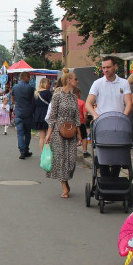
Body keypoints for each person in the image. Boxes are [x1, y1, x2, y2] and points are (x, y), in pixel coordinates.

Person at [42, 69, 81, 198]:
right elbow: (52, 116)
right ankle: (64, 185)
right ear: (69, 80)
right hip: (59, 132)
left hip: (72, 132)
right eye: (75, 79)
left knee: (71, 161)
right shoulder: (57, 96)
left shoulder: (74, 97)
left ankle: (66, 179)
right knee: (61, 159)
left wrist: (79, 134)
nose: (77, 81)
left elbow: (77, 117)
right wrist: (48, 134)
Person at [86, 55, 133, 121]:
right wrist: (95, 115)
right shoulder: (97, 83)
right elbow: (88, 103)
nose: (106, 70)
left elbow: (129, 103)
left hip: (119, 121)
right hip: (102, 122)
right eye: (103, 68)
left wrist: (123, 117)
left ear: (115, 67)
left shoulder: (124, 83)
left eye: (108, 67)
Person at [11, 72, 34, 159]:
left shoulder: (15, 87)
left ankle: (22, 151)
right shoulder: (31, 88)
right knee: (27, 132)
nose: (30, 79)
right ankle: (26, 149)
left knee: (20, 133)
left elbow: (13, 100)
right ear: (26, 77)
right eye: (29, 77)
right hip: (28, 112)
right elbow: (33, 101)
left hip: (19, 112)